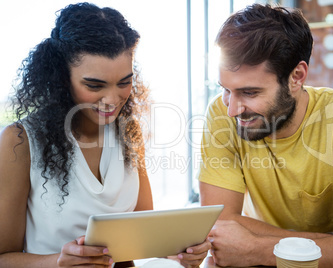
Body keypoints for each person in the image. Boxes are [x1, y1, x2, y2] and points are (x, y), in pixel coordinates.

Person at [0, 3, 209, 268]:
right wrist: (58, 262)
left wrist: (178, 252)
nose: (112, 100)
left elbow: (146, 238)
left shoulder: (129, 132)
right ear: (62, 78)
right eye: (94, 85)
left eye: (124, 82)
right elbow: (3, 257)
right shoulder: (20, 141)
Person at [198, 3, 333, 267]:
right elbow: (220, 224)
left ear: (297, 76)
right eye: (226, 89)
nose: (232, 109)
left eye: (250, 93)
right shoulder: (220, 111)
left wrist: (259, 249)